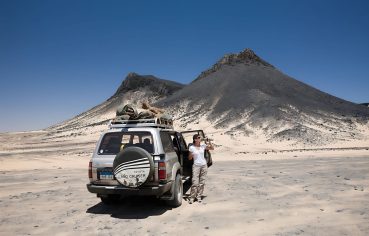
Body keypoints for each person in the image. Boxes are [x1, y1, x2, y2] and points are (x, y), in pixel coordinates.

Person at [188, 134, 214, 204]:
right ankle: (192, 197)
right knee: (195, 182)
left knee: (202, 182)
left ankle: (199, 196)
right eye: (199, 138)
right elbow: (189, 158)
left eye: (200, 138)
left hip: (203, 165)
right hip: (196, 166)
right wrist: (191, 154)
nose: (200, 139)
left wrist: (209, 142)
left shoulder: (203, 146)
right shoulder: (191, 147)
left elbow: (212, 148)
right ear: (195, 139)